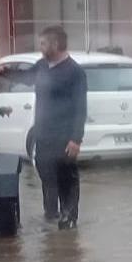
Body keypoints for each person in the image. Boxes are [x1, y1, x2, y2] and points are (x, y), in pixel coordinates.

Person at [33, 25, 87, 230]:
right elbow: (25, 76)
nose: (40, 47)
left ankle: (69, 220)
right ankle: (51, 214)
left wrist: (76, 138)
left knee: (67, 177)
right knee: (45, 171)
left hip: (65, 137)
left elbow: (80, 108)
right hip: (43, 134)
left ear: (55, 44)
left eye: (44, 43)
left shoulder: (75, 73)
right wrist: (2, 73)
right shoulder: (42, 66)